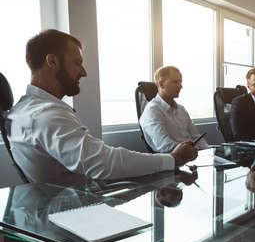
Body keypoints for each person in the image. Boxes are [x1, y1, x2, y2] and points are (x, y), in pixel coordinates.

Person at [7, 29, 198, 184]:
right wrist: (173, 158)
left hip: (80, 199)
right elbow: (102, 163)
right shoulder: (44, 115)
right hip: (78, 212)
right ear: (53, 62)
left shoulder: (26, 110)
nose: (84, 72)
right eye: (77, 63)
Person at [139, 66, 208, 153]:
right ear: (161, 84)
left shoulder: (181, 109)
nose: (180, 86)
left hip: (194, 157)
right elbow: (164, 146)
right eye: (175, 82)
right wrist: (193, 150)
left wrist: (208, 152)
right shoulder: (152, 111)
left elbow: (196, 137)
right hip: (174, 161)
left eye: (181, 82)